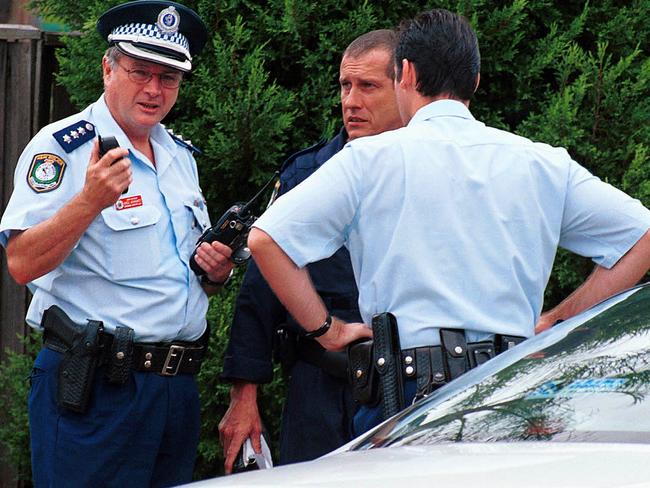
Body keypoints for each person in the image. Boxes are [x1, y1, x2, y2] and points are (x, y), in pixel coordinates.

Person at [247, 8, 650, 436]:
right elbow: (642, 235)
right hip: (512, 391)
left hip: (406, 395)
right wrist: (557, 321)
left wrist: (327, 330)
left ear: (405, 73)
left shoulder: (368, 160)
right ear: (474, 81)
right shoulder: (541, 163)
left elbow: (266, 240)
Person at [0, 1, 234, 485]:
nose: (153, 89)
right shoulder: (64, 147)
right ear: (108, 68)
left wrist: (213, 274)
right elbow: (21, 263)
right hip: (98, 389)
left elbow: (175, 279)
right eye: (139, 71)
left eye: (168, 77)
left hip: (174, 391)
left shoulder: (179, 155)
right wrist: (89, 201)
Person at [218, 29, 403, 472]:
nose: (351, 101)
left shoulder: (437, 172)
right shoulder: (309, 173)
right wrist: (244, 396)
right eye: (345, 86)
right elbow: (259, 294)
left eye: (368, 87)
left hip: (406, 387)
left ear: (406, 87)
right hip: (319, 386)